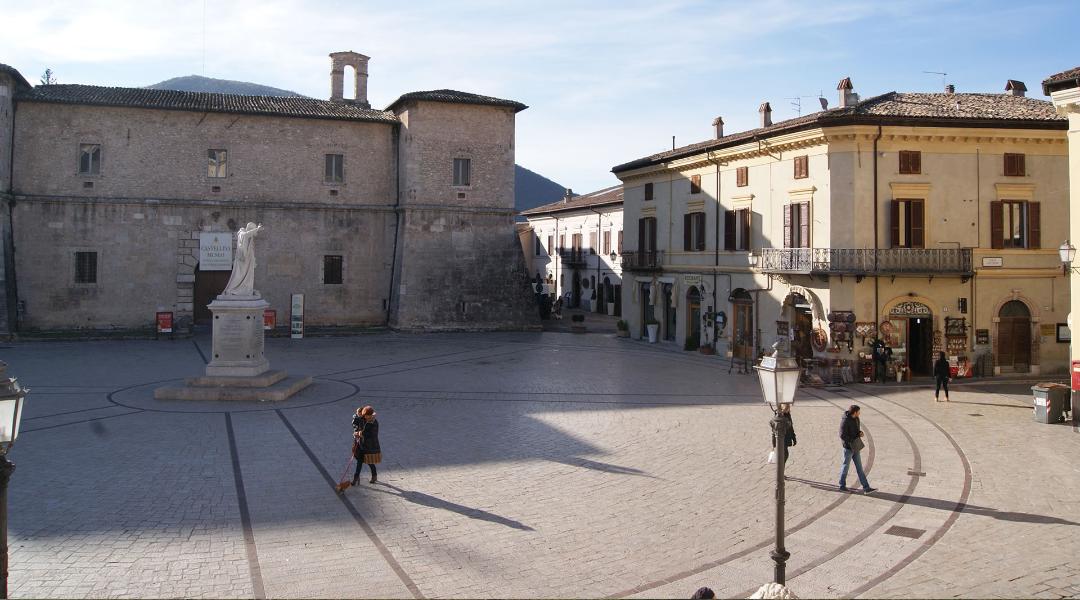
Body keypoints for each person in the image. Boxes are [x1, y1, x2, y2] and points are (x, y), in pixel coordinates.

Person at [838, 404, 875, 494]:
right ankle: (842, 486)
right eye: (858, 412)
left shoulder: (856, 419)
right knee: (846, 466)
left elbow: (856, 431)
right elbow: (842, 435)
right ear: (854, 412)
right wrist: (852, 440)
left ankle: (866, 488)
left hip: (856, 447)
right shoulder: (845, 421)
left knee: (860, 468)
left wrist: (860, 433)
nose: (859, 413)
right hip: (848, 448)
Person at [352, 405, 382, 485]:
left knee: (369, 461)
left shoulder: (374, 422)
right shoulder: (364, 418)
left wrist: (358, 433)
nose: (365, 417)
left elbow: (369, 434)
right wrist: (357, 414)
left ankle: (374, 475)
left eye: (367, 416)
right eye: (364, 415)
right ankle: (356, 477)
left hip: (370, 445)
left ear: (370, 415)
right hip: (361, 444)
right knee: (359, 461)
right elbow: (356, 421)